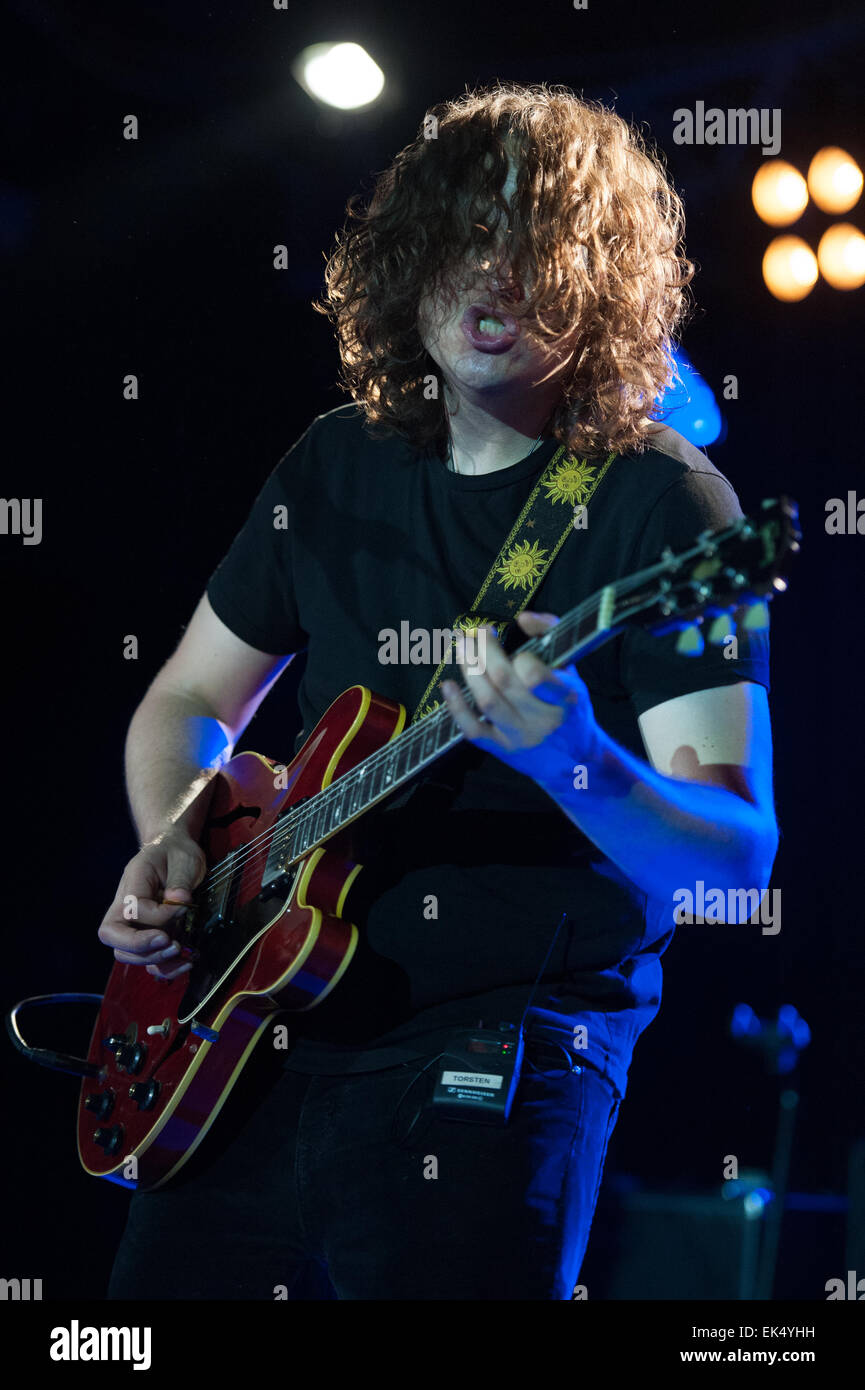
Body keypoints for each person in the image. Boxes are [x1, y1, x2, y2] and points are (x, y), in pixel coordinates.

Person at [100, 83, 776, 1300]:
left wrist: (572, 757)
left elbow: (732, 867)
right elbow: (188, 698)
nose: (493, 273)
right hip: (257, 1024)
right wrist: (172, 835)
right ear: (406, 262)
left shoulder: (667, 509)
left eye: (533, 243)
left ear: (602, 279)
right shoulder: (335, 460)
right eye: (463, 234)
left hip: (502, 1034)